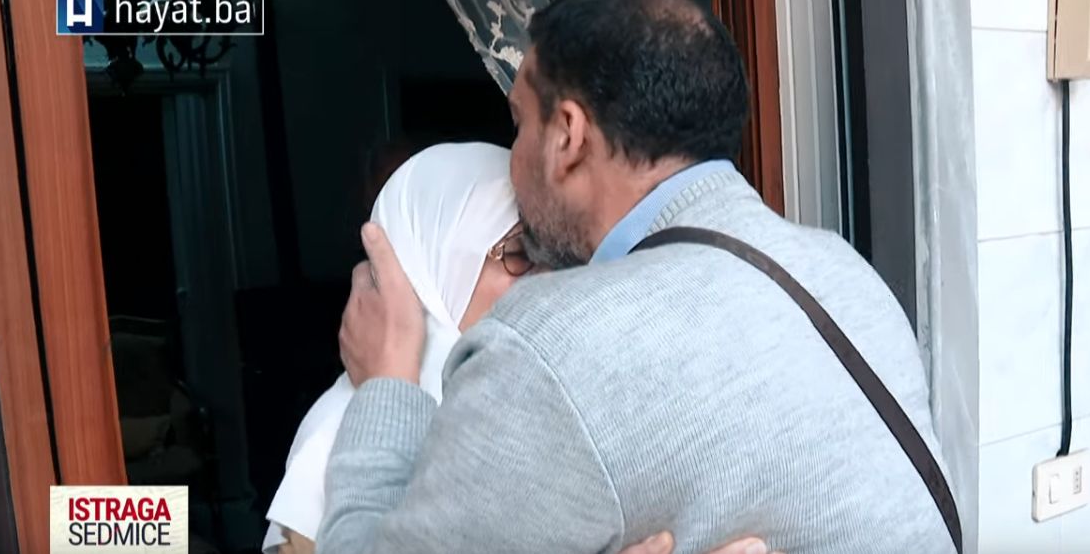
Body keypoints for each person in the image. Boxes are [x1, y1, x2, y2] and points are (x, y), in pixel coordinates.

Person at [323, 0, 956, 553]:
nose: (510, 160)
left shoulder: (549, 350)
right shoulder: (843, 271)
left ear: (568, 136)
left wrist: (385, 384)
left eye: (517, 124)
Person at [263, 142, 772, 554]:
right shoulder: (332, 443)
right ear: (429, 270)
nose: (550, 281)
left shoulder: (556, 399)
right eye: (521, 254)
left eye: (558, 255)